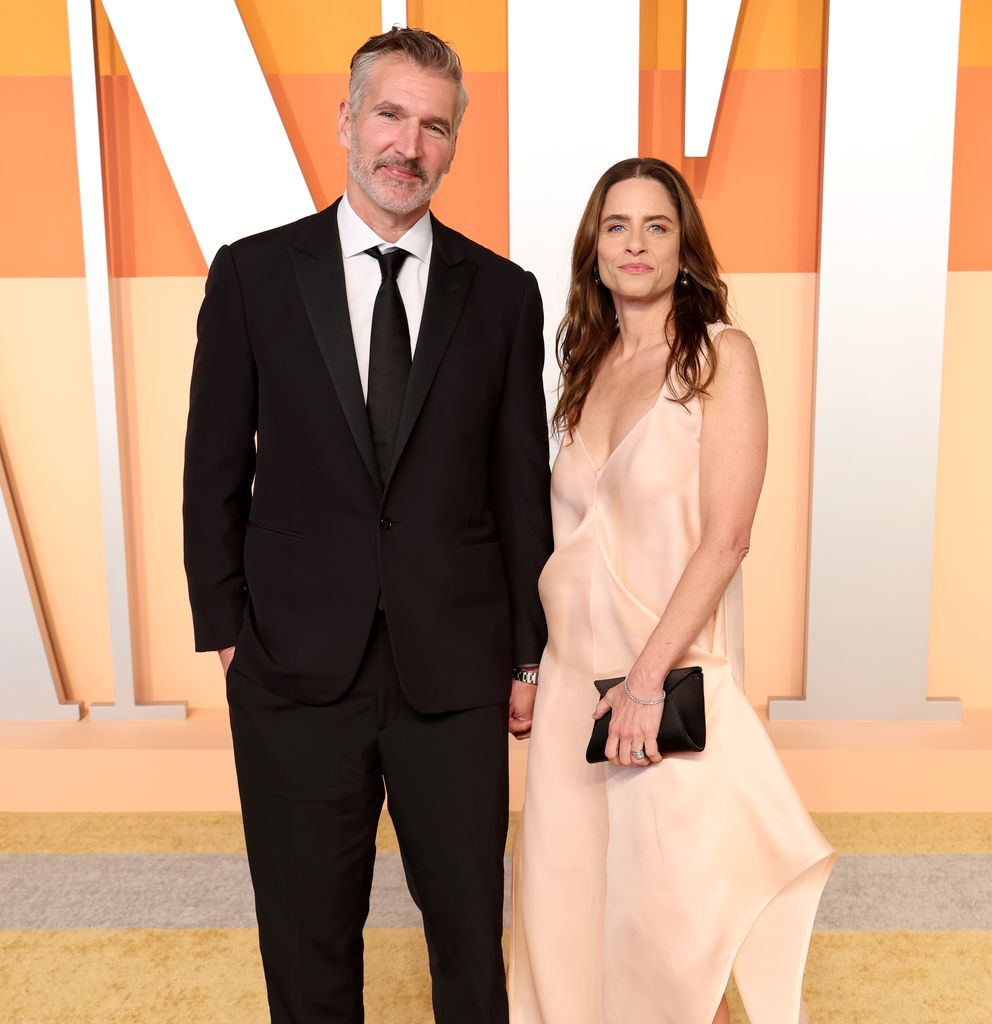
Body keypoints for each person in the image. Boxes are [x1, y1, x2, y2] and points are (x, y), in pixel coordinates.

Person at [183, 27, 551, 1024]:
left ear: (454, 144)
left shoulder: (505, 297)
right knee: (305, 942)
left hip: (457, 672)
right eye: (390, 114)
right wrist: (226, 633)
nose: (409, 144)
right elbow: (214, 464)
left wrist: (526, 656)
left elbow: (521, 488)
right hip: (292, 668)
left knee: (471, 943)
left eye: (434, 126)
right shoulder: (255, 275)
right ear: (346, 120)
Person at [509, 157, 835, 1024]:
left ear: (683, 246)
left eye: (657, 225)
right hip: (577, 692)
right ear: (594, 248)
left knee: (671, 935)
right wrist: (537, 675)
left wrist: (646, 685)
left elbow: (727, 535)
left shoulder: (722, 355)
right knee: (572, 923)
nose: (637, 242)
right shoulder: (587, 367)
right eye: (617, 226)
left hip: (665, 688)